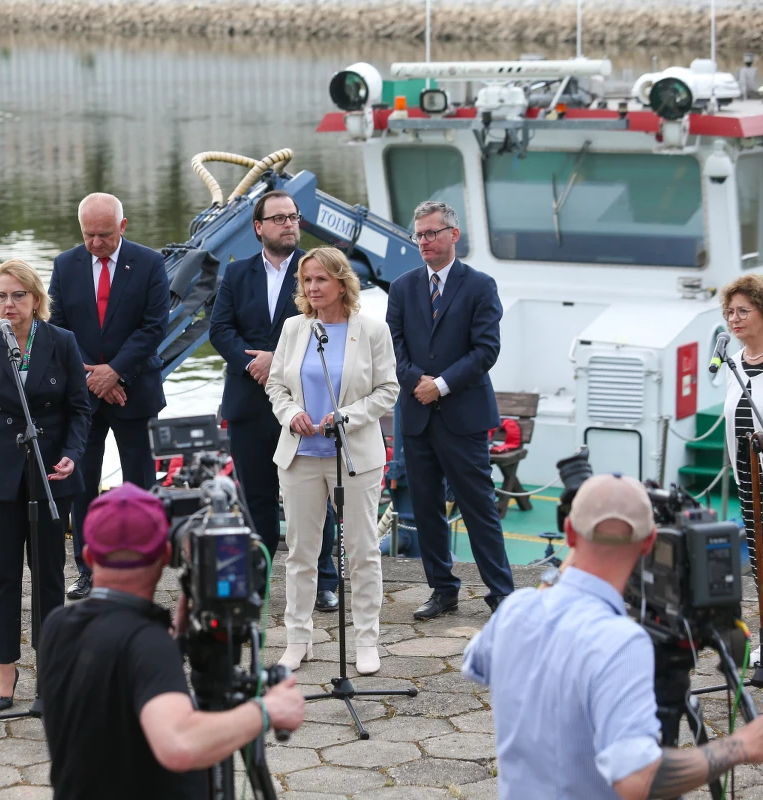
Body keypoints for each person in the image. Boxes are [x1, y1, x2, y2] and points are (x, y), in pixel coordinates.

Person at [463, 473, 763, 799]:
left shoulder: (517, 609)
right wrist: (740, 746)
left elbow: (475, 662)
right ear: (649, 542)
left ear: (570, 533)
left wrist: (554, 578)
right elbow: (638, 778)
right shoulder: (620, 642)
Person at [38, 483, 306, 800]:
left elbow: (112, 693)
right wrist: (266, 710)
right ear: (166, 555)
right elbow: (179, 743)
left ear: (88, 555)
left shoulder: (57, 625)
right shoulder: (147, 643)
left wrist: (175, 643)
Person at [0, 259, 90, 710]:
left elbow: (79, 409)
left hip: (51, 472)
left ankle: (50, 672)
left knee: (50, 575)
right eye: (0, 296)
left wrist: (73, 454)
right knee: (2, 574)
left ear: (35, 299)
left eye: (17, 295)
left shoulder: (62, 342)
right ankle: (5, 672)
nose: (8, 304)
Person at [266, 247, 398, 676]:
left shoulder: (373, 331)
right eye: (306, 281)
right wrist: (291, 414)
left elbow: (387, 391)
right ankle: (297, 640)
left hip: (355, 456)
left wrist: (346, 416)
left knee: (362, 552)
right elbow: (276, 386)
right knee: (301, 553)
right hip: (301, 455)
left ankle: (366, 641)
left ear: (342, 282)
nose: (312, 288)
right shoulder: (293, 328)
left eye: (320, 279)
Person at [209, 190, 341, 611]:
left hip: (306, 404)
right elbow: (220, 329)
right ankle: (258, 581)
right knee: (258, 499)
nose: (289, 224)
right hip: (249, 403)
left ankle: (324, 582)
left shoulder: (316, 271)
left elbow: (329, 326)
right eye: (279, 218)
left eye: (293, 217)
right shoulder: (236, 274)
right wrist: (254, 365)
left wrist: (276, 360)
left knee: (316, 497)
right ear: (258, 227)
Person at [385, 200, 514, 620]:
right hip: (417, 417)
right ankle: (443, 589)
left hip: (463, 416)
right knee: (426, 508)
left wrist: (439, 385)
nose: (423, 241)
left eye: (431, 233)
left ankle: (501, 595)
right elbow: (395, 346)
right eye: (418, 234)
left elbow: (486, 350)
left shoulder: (479, 285)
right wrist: (416, 381)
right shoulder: (402, 286)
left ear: (453, 235)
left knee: (478, 506)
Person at [48, 192, 169, 600]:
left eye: (103, 235)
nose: (95, 243)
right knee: (82, 482)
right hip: (83, 394)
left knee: (140, 482)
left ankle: (143, 567)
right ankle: (88, 570)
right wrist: (93, 376)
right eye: (88, 235)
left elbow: (154, 327)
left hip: (134, 390)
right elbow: (59, 326)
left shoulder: (150, 263)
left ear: (123, 225)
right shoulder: (66, 265)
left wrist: (115, 372)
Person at [720, 275, 763, 589]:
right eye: (730, 312)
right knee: (759, 560)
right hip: (748, 478)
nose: (734, 319)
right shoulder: (732, 364)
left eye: (743, 311)